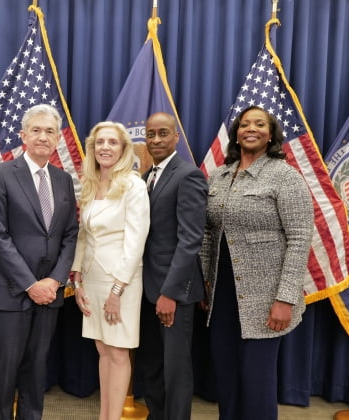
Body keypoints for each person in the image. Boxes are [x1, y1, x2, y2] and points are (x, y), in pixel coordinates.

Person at [201, 105, 314, 420]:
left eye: (259, 124)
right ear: (236, 133)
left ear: (270, 134)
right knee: (226, 377)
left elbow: (300, 238)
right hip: (222, 296)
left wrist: (285, 298)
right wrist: (206, 280)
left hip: (266, 298)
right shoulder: (219, 176)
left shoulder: (285, 176)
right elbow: (209, 232)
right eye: (244, 124)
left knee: (256, 380)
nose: (250, 128)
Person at [0, 104, 79, 420]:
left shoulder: (64, 180)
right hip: (11, 291)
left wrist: (53, 281)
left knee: (37, 369)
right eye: (36, 130)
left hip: (49, 294)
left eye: (49, 131)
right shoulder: (1, 174)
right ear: (23, 135)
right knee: (5, 370)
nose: (42, 136)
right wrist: (30, 284)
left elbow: (69, 234)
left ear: (57, 138)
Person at [71, 121, 150, 420]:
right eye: (99, 142)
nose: (105, 147)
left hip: (121, 282)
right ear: (92, 148)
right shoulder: (91, 184)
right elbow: (83, 234)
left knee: (118, 353)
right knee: (103, 350)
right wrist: (77, 277)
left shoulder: (133, 185)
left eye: (112, 142)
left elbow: (136, 240)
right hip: (91, 279)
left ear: (123, 148)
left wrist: (118, 290)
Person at [138, 112, 208, 420]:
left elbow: (190, 240)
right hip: (147, 290)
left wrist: (170, 293)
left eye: (163, 133)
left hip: (173, 294)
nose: (155, 140)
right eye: (150, 134)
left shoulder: (188, 175)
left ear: (176, 137)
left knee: (176, 370)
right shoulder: (146, 178)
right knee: (152, 366)